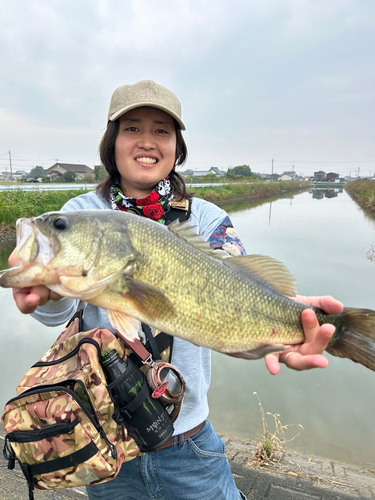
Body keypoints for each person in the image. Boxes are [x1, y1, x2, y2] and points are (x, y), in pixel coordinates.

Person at [9, 80, 343, 500]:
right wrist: (50, 293)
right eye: (132, 128)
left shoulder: (207, 217)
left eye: (162, 131)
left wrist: (287, 324)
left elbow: (238, 289)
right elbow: (57, 315)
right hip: (107, 447)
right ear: (111, 142)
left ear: (177, 146)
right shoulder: (80, 213)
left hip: (190, 446)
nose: (146, 141)